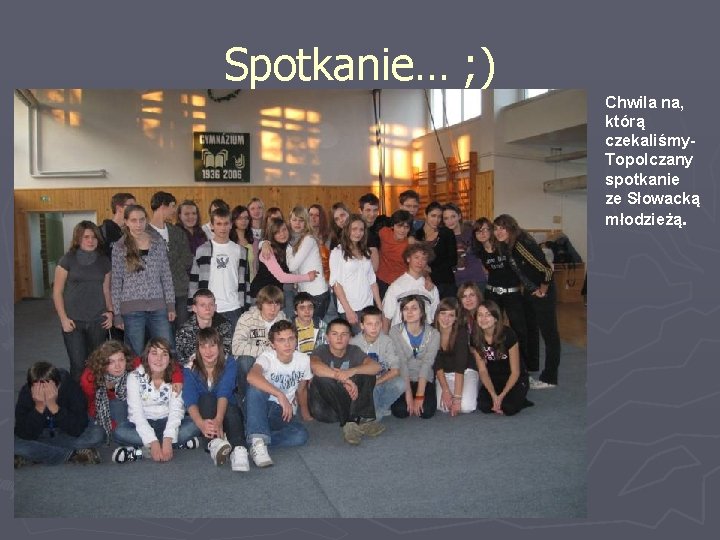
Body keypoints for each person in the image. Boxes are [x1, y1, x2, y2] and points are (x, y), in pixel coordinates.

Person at [494, 214, 560, 388]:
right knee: (531, 330)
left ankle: (550, 377)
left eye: (503, 228)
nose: (499, 232)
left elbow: (547, 270)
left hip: (542, 292)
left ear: (511, 228)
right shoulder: (507, 245)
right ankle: (531, 368)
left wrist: (543, 290)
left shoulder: (520, 244)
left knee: (549, 334)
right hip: (530, 291)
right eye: (496, 228)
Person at [113, 338, 198, 463]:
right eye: (154, 353)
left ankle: (141, 450)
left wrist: (168, 439)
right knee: (119, 432)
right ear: (146, 355)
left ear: (170, 359)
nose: (159, 359)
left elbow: (176, 411)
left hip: (166, 421)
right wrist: (153, 442)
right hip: (143, 422)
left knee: (195, 424)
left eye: (164, 354)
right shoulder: (134, 377)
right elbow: (136, 414)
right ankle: (175, 444)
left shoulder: (176, 379)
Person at [111, 204, 175, 357]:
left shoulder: (158, 242)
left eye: (141, 220)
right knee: (135, 353)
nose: (138, 224)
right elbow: (116, 282)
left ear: (146, 220)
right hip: (131, 310)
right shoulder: (119, 247)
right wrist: (117, 314)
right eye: (133, 220)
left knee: (166, 348)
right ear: (126, 222)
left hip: (158, 306)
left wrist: (170, 305)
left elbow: (166, 275)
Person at [246, 320, 312, 467]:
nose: (287, 344)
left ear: (296, 340)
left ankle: (254, 439)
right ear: (273, 344)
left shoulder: (304, 360)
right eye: (281, 340)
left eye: (291, 339)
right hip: (262, 407)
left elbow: (301, 389)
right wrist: (280, 395)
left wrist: (305, 413)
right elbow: (251, 376)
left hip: (283, 412)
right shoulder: (267, 357)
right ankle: (258, 443)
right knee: (255, 389)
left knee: (300, 435)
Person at [52, 220, 113, 382]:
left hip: (98, 321)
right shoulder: (67, 260)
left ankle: (97, 397)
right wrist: (63, 319)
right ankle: (78, 397)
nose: (91, 240)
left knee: (97, 364)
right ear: (78, 239)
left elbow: (106, 290)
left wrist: (110, 312)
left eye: (94, 237)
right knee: (78, 365)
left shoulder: (104, 261)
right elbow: (57, 292)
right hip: (73, 322)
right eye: (86, 237)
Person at [309, 318, 384, 445]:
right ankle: (352, 420)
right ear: (327, 337)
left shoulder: (354, 350)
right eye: (334, 334)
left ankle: (361, 421)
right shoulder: (321, 350)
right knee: (321, 379)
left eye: (344, 334)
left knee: (367, 373)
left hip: (347, 404)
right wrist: (343, 378)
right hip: (324, 409)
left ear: (349, 337)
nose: (339, 338)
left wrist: (352, 371)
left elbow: (376, 367)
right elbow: (315, 367)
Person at [183, 328, 249, 471]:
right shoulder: (189, 368)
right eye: (203, 346)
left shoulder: (229, 362)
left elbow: (224, 392)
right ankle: (214, 443)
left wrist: (219, 419)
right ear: (198, 349)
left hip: (226, 409)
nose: (208, 351)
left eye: (212, 346)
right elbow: (190, 400)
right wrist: (200, 424)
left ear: (219, 347)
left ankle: (238, 448)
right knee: (206, 398)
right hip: (205, 415)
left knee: (231, 409)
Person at [15, 361, 102, 468]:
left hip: (65, 433)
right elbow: (23, 432)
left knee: (97, 435)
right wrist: (39, 407)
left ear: (58, 384)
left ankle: (40, 453)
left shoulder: (71, 388)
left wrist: (54, 407)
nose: (43, 392)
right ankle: (71, 455)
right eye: (38, 388)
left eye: (48, 387)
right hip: (41, 433)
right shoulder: (26, 392)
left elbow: (77, 428)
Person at [472, 217, 527, 369]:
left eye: (485, 229)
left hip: (512, 292)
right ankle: (494, 362)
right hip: (492, 293)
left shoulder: (504, 246)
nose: (482, 233)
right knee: (491, 328)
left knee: (519, 329)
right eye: (478, 231)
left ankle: (522, 366)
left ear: (492, 230)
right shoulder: (479, 252)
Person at [188, 206, 251, 329]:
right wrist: (192, 307)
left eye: (226, 223)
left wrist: (246, 305)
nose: (223, 228)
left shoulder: (241, 251)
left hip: (234, 307)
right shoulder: (202, 250)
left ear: (231, 225)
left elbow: (246, 281)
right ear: (212, 226)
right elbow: (194, 281)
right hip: (209, 310)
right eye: (218, 224)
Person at [231, 285, 289, 407]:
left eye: (277, 304)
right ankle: (244, 399)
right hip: (252, 361)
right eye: (269, 304)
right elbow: (236, 347)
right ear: (260, 304)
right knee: (245, 361)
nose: (273, 309)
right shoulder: (247, 318)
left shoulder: (283, 320)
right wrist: (266, 350)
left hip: (273, 361)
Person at [471, 300, 531, 416]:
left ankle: (519, 397)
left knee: (508, 408)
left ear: (496, 318)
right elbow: (482, 370)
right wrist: (493, 395)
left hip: (514, 377)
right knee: (484, 406)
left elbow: (515, 372)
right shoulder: (475, 337)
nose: (483, 319)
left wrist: (501, 395)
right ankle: (500, 397)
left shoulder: (508, 334)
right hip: (494, 377)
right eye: (480, 315)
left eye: (488, 315)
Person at [389, 294, 440, 419]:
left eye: (414, 308)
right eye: (405, 309)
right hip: (402, 378)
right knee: (400, 411)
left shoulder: (434, 334)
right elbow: (402, 364)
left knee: (426, 412)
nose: (409, 312)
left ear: (422, 312)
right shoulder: (395, 332)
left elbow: (427, 364)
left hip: (424, 378)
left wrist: (419, 396)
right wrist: (408, 395)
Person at [252, 217, 316, 318]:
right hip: (261, 295)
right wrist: (307, 277)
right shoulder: (268, 251)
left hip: (275, 294)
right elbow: (282, 277)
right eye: (277, 232)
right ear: (272, 235)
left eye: (284, 229)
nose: (282, 234)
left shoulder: (287, 247)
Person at [329, 214, 382, 333]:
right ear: (347, 230)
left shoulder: (365, 251)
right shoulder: (337, 252)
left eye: (361, 230)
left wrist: (379, 306)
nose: (358, 233)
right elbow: (336, 284)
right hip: (350, 308)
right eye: (354, 229)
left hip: (368, 306)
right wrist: (348, 310)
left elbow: (372, 282)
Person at [350, 306, 404, 419]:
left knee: (401, 383)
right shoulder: (353, 344)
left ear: (381, 324)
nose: (374, 328)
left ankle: (380, 408)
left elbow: (395, 370)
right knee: (370, 416)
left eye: (377, 323)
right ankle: (374, 411)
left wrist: (376, 382)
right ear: (362, 325)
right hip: (363, 386)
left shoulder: (387, 341)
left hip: (381, 381)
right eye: (369, 324)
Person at [149, 191, 193, 330]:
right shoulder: (145, 233)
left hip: (180, 290)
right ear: (163, 206)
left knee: (183, 331)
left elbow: (187, 259)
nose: (174, 211)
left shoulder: (177, 232)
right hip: (157, 293)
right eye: (173, 206)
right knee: (163, 334)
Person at [79, 340, 132, 446]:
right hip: (100, 409)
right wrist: (111, 424)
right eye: (111, 362)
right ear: (102, 363)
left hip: (124, 402)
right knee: (107, 434)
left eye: (121, 360)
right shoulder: (89, 379)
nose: (118, 366)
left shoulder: (131, 366)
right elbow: (90, 407)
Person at [433, 298, 478, 415]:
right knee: (443, 407)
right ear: (437, 315)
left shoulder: (461, 332)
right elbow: (437, 364)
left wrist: (457, 398)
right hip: (444, 374)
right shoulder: (431, 332)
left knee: (466, 407)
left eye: (451, 315)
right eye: (443, 313)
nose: (446, 319)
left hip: (465, 371)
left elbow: (460, 366)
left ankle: (474, 385)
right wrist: (446, 390)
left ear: (456, 318)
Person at [382, 242, 439, 332]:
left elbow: (435, 317)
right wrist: (384, 339)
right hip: (400, 336)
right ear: (408, 258)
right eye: (416, 257)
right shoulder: (396, 286)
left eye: (424, 259)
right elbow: (386, 317)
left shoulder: (432, 288)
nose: (420, 262)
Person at [286, 206, 330, 319]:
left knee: (313, 327)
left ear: (306, 222)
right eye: (294, 220)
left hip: (317, 293)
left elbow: (292, 266)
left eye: (301, 220)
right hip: (306, 291)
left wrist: (289, 248)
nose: (297, 223)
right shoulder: (297, 240)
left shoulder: (308, 239)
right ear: (289, 221)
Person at [175, 288, 233, 367]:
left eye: (211, 304)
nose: (207, 308)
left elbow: (226, 351)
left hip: (219, 365)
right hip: (195, 367)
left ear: (215, 307)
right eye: (203, 305)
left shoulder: (224, 324)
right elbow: (183, 359)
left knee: (231, 363)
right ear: (194, 308)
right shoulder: (184, 331)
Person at [413, 201, 458, 300]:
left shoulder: (447, 233)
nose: (436, 220)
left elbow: (453, 260)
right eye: (433, 216)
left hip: (445, 283)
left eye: (439, 217)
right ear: (425, 215)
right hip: (424, 283)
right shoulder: (417, 235)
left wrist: (432, 269)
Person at [443, 202, 487, 291]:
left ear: (459, 216)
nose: (450, 221)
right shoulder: (443, 239)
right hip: (457, 284)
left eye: (453, 216)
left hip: (477, 280)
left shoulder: (471, 232)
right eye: (446, 218)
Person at [376, 209, 416, 298]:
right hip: (381, 280)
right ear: (392, 226)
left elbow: (417, 264)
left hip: (401, 283)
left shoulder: (410, 244)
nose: (402, 230)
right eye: (399, 226)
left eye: (406, 227)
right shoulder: (384, 232)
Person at [358, 192, 389, 271]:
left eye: (375, 210)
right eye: (368, 210)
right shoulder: (355, 228)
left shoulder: (383, 223)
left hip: (382, 268)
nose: (372, 214)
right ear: (360, 211)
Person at [99, 192, 136, 258]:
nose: (134, 209)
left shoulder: (133, 231)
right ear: (119, 208)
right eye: (131, 206)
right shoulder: (102, 231)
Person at [230, 204, 258, 282]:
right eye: (240, 218)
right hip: (233, 283)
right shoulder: (228, 241)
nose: (243, 221)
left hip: (251, 283)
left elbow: (255, 267)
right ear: (234, 220)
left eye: (246, 218)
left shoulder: (254, 242)